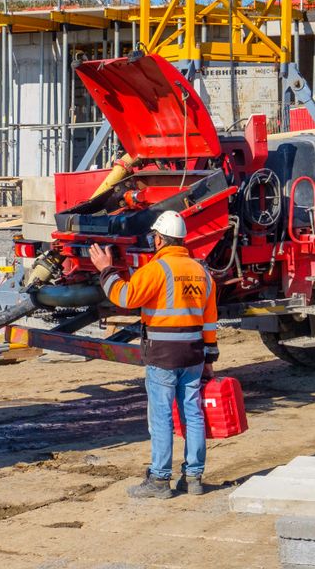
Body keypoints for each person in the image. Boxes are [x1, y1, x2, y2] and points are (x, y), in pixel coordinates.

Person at [88, 210, 218, 499]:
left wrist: (106, 270)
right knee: (193, 415)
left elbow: (125, 297)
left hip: (163, 355)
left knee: (161, 417)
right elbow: (210, 322)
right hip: (194, 355)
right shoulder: (202, 272)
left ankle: (160, 480)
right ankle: (194, 478)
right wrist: (209, 360)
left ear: (159, 239)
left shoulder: (158, 270)